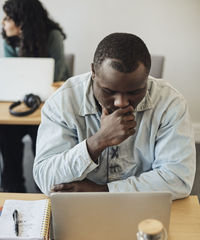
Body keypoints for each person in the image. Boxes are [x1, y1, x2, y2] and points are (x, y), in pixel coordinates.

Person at [33, 32, 196, 199]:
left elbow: (178, 179)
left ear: (147, 78)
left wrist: (103, 191)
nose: (121, 102)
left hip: (141, 209)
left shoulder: (170, 103)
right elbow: (47, 180)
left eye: (134, 91)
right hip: (80, 207)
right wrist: (98, 142)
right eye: (109, 91)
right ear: (93, 72)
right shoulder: (62, 102)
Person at [0, 0, 69, 192]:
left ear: (21, 22)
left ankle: (44, 190)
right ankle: (13, 190)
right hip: (20, 105)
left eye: (7, 18)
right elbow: (9, 77)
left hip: (48, 105)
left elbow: (55, 77)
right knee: (5, 134)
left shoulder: (53, 36)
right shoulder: (8, 39)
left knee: (42, 138)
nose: (3, 22)